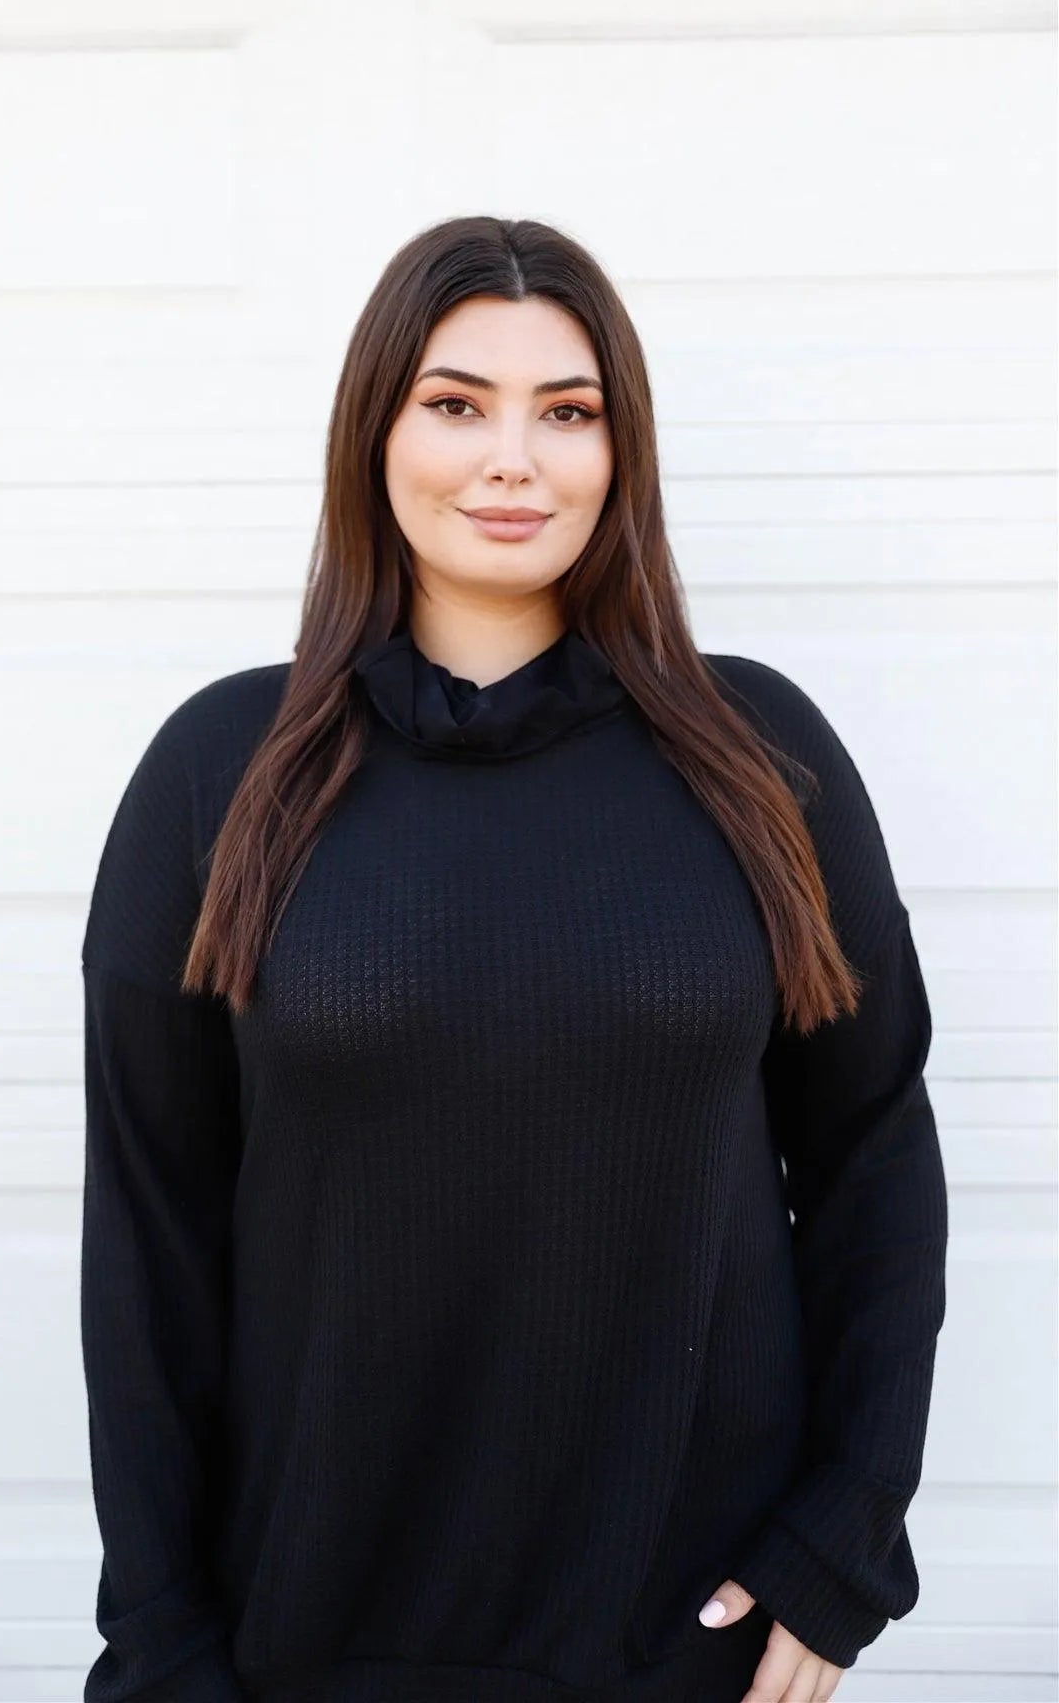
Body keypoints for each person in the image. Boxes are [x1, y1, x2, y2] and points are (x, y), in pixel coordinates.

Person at [79, 216, 949, 1703]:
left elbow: (873, 1156)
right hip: (313, 1640)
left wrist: (845, 1536)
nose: (512, 461)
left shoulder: (764, 758)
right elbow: (151, 1246)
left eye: (567, 412)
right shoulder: (222, 773)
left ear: (621, 450)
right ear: (377, 431)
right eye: (456, 403)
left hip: (691, 1647)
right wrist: (161, 1641)